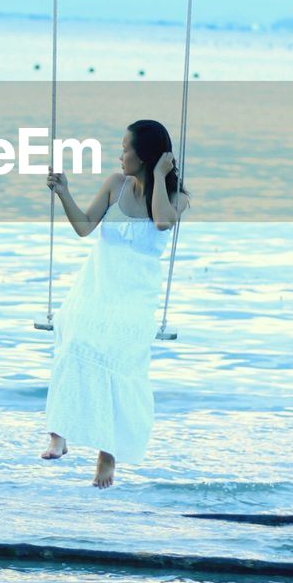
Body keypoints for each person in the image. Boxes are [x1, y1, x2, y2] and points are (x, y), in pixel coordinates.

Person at [41, 119, 190, 488]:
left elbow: (161, 222)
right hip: (97, 288)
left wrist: (158, 175)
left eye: (125, 149)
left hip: (135, 298)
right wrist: (63, 193)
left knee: (121, 361)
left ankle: (108, 455)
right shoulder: (114, 184)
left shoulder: (177, 197)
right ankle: (59, 433)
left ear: (145, 156)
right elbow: (84, 226)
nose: (120, 154)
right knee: (73, 338)